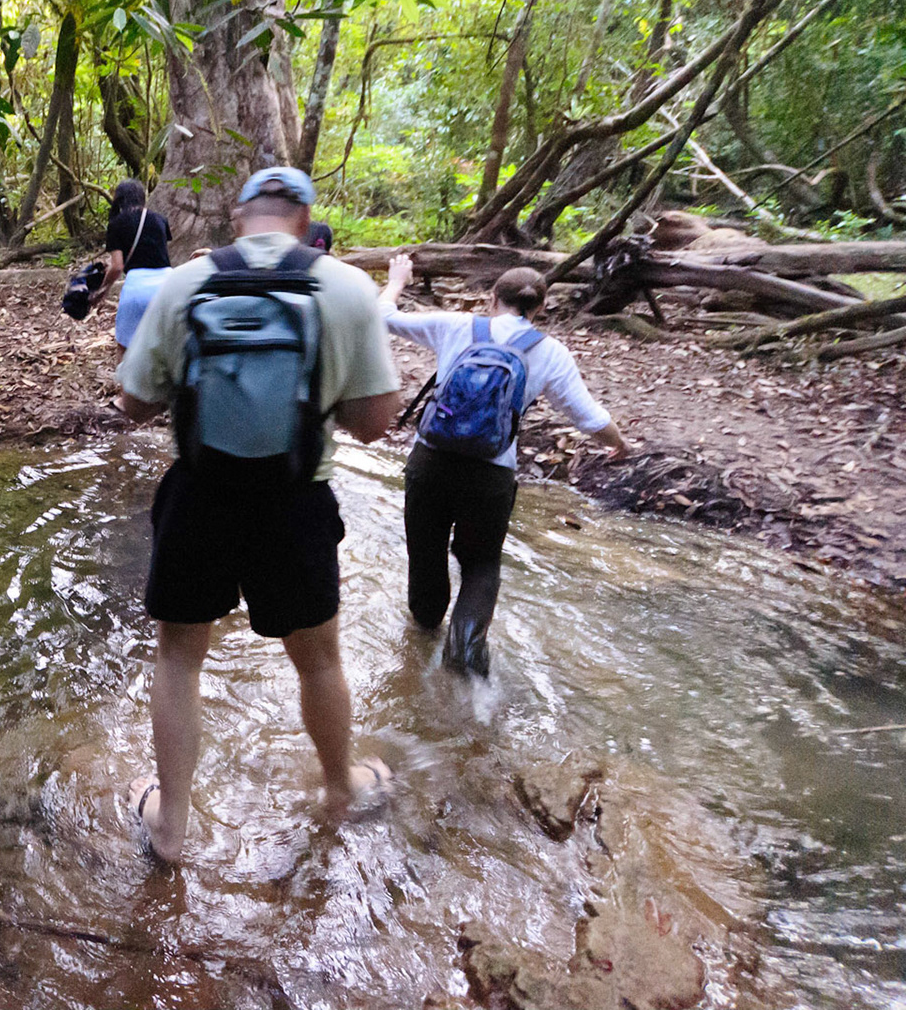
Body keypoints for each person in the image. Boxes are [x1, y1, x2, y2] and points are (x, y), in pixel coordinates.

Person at [115, 166, 404, 861]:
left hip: (199, 494)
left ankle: (172, 824)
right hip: (296, 500)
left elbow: (133, 404)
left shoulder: (185, 282)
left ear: (240, 217)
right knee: (318, 658)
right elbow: (376, 422)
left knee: (180, 657)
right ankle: (340, 788)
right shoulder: (344, 287)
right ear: (305, 220)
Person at [379, 255, 631, 677]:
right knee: (480, 563)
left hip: (431, 462)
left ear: (492, 297)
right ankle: (464, 649)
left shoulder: (456, 325)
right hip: (491, 474)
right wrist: (619, 444)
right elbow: (589, 418)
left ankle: (422, 637)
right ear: (542, 307)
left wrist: (396, 281)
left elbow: (385, 317)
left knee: (426, 551)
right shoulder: (550, 352)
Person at [99, 179, 172, 355]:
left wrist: (103, 289)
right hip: (168, 284)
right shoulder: (160, 220)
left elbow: (117, 267)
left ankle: (126, 383)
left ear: (119, 199)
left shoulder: (116, 224)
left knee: (125, 347)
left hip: (137, 286)